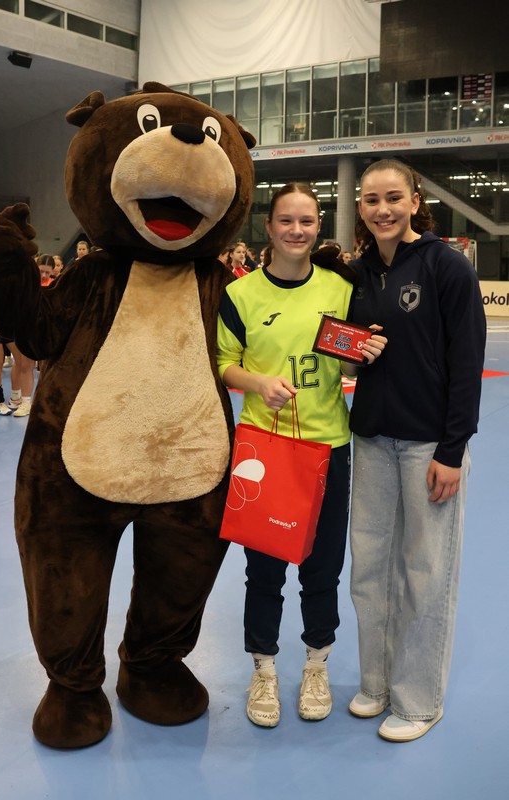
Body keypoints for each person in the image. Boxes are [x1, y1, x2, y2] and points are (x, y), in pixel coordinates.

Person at [217, 182, 383, 728]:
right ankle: (263, 668)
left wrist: (364, 351)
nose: (296, 230)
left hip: (328, 447)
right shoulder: (241, 294)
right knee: (263, 569)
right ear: (268, 228)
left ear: (318, 227)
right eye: (286, 220)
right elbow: (223, 363)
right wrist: (258, 383)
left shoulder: (340, 287)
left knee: (322, 567)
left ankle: (316, 664)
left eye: (307, 221)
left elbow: (349, 363)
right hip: (264, 450)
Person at [346, 159, 486, 742]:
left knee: (424, 572)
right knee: (370, 568)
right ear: (359, 206)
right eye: (371, 199)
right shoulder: (357, 274)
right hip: (372, 440)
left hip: (429, 443)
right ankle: (378, 682)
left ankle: (420, 699)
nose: (382, 209)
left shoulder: (445, 266)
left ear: (414, 201)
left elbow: (467, 363)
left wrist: (453, 449)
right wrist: (351, 353)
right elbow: (347, 351)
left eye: (392, 198)